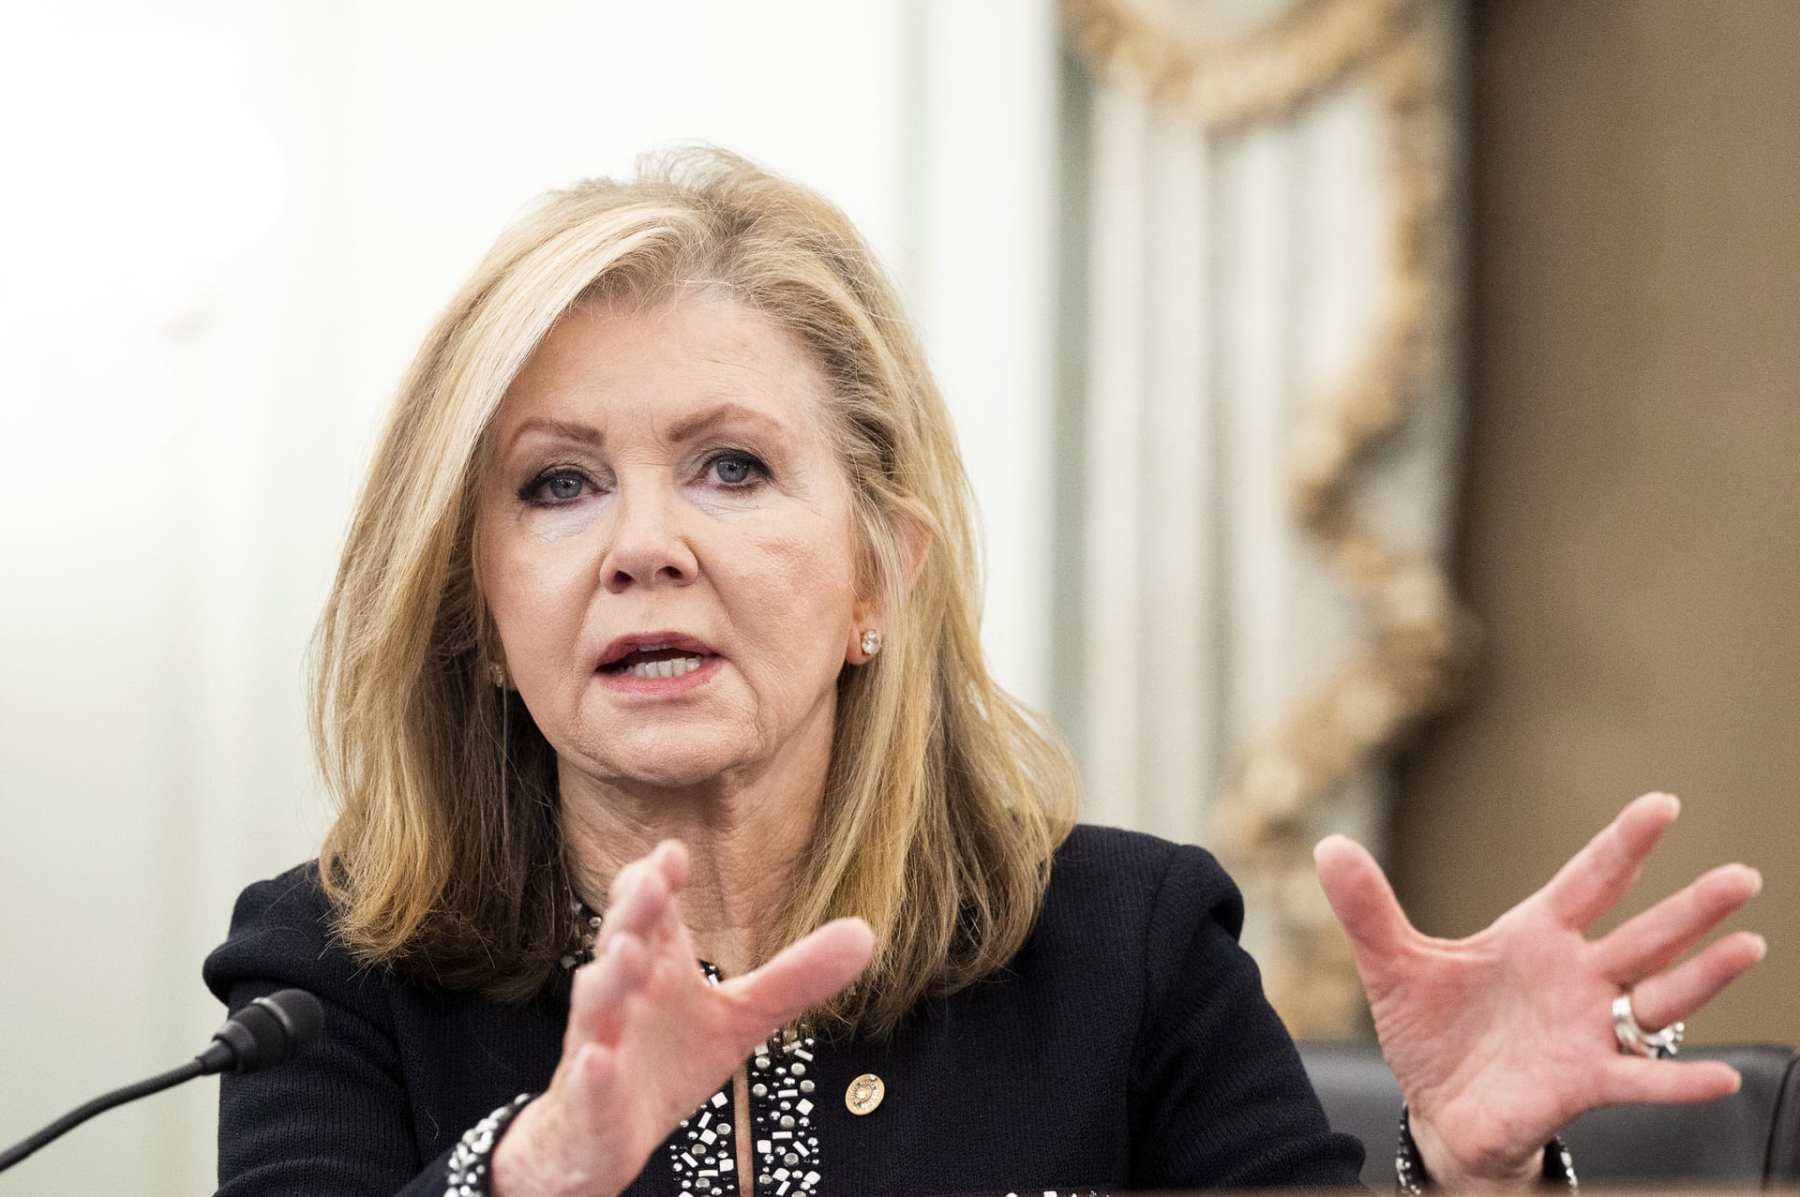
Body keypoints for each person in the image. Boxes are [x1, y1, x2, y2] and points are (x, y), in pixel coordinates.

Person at [204, 149, 1766, 1196]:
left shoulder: (1129, 951)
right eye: (556, 484)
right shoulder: (323, 980)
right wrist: (541, 1170)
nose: (644, 544)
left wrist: (1465, 1172)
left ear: (883, 572)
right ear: (476, 609)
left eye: (733, 467)